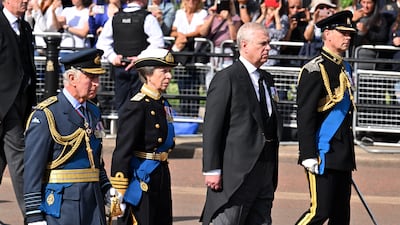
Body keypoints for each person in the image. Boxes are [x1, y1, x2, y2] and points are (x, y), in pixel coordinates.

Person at [200, 22, 283, 225]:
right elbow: (212, 127)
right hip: (236, 172)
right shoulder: (227, 78)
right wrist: (211, 169)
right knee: (229, 220)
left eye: (269, 43)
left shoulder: (267, 79)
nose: (268, 49)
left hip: (264, 169)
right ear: (244, 45)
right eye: (262, 44)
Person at [23, 48, 113, 225]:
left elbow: (95, 160)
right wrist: (34, 214)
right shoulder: (47, 114)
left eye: (97, 77)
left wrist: (106, 188)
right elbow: (32, 169)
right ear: (72, 79)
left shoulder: (93, 112)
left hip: (93, 203)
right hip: (63, 207)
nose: (97, 83)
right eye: (91, 77)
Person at [295, 11, 357, 225]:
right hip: (323, 152)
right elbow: (305, 116)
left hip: (342, 154)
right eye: (343, 32)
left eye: (350, 33)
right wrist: (308, 154)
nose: (348, 37)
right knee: (319, 212)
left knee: (341, 217)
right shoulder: (314, 69)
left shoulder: (345, 68)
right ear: (327, 34)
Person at [109, 48, 178, 225]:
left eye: (169, 71)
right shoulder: (137, 106)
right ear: (148, 74)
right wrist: (118, 194)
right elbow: (122, 152)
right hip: (141, 178)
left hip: (160, 173)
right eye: (163, 71)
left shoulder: (162, 103)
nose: (169, 76)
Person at [0, 0, 37, 217]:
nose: (24, 0)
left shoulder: (25, 27)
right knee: (21, 159)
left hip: (21, 103)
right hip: (4, 105)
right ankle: (32, 215)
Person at [96, 0, 164, 112]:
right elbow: (158, 42)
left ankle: (123, 129)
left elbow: (102, 43)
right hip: (140, 70)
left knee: (122, 105)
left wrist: (113, 57)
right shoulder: (147, 18)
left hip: (120, 67)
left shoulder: (115, 18)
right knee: (141, 104)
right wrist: (140, 58)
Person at [255, 0, 289, 66]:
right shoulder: (258, 15)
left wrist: (276, 15)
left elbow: (280, 35)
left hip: (272, 58)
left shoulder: (283, 18)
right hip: (256, 58)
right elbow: (250, 30)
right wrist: (263, 16)